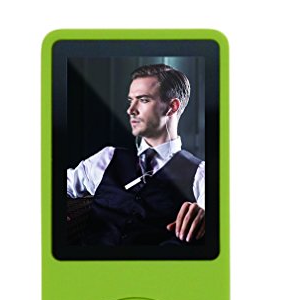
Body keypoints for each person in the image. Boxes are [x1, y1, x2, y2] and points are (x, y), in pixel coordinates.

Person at [67, 64, 205, 246]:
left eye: (143, 100)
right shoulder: (106, 158)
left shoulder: (199, 172)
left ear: (172, 107)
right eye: (130, 100)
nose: (130, 110)